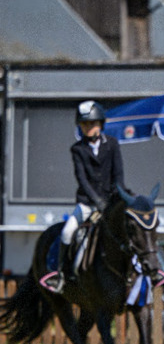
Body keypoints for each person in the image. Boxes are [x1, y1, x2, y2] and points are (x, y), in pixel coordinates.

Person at [44, 100, 124, 294]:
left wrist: (116, 198)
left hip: (111, 202)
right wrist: (97, 202)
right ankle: (60, 274)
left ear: (101, 124)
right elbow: (82, 179)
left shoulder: (112, 144)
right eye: (84, 124)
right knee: (67, 231)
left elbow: (118, 175)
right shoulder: (78, 149)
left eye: (91, 123)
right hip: (87, 203)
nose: (88, 127)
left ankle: (145, 271)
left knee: (129, 229)